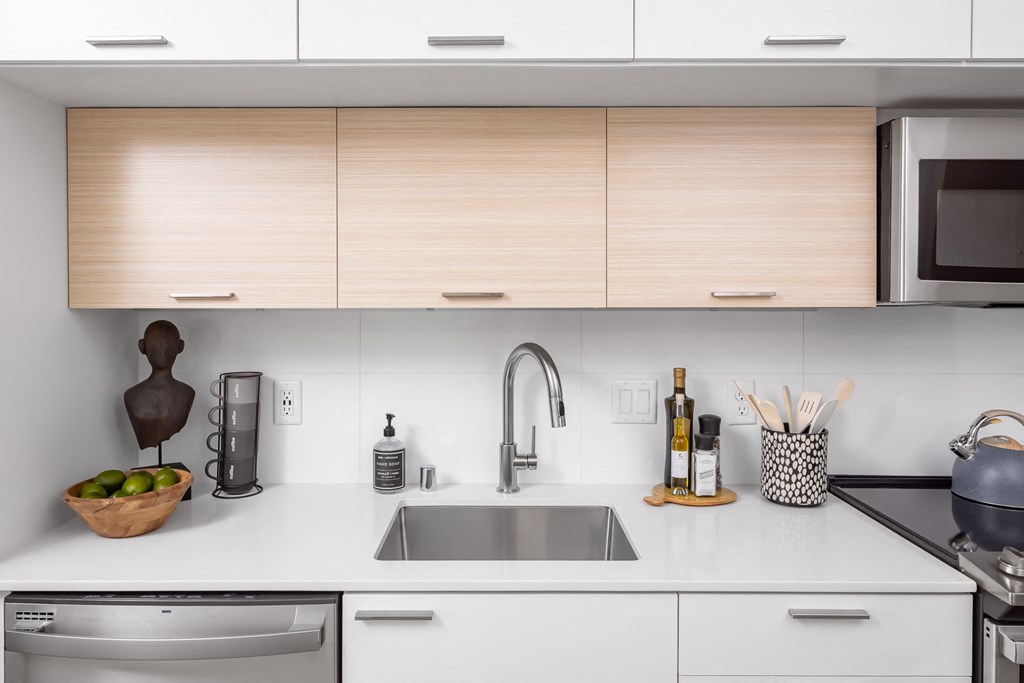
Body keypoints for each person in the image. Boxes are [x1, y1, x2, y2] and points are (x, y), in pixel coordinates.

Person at [124, 320, 195, 450]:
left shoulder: (188, 394)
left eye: (168, 343)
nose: (163, 349)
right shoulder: (130, 396)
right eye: (156, 343)